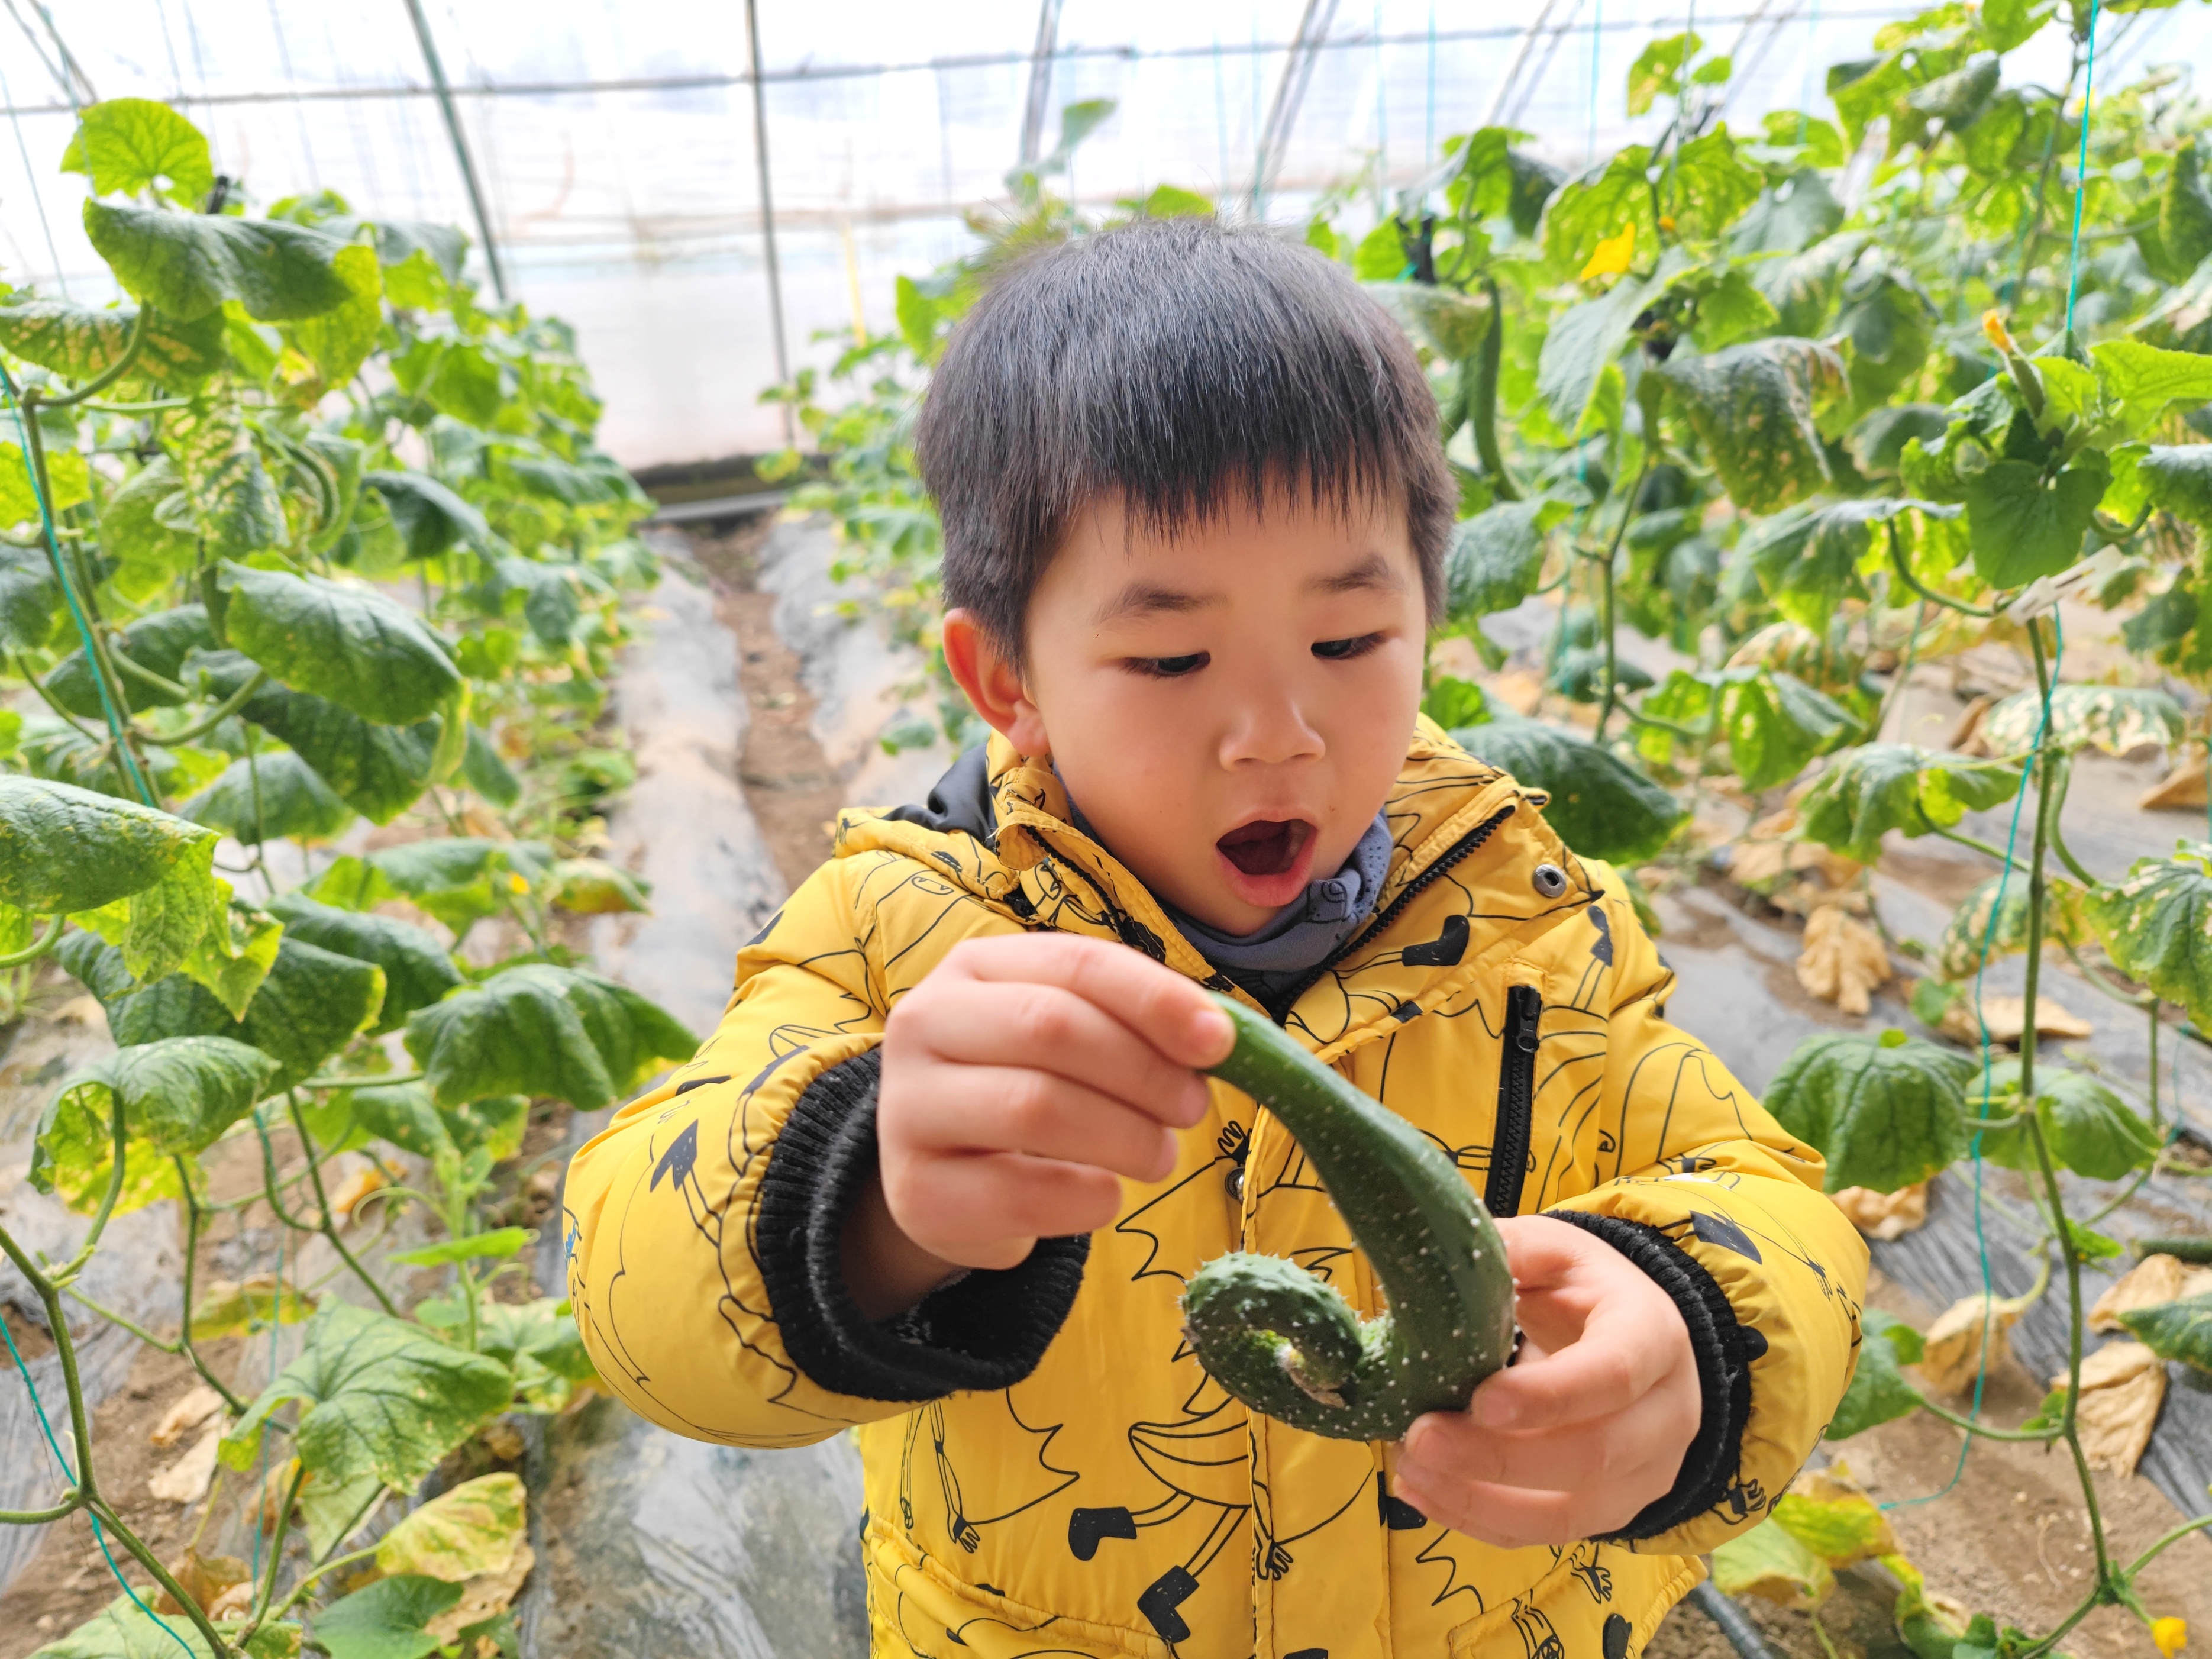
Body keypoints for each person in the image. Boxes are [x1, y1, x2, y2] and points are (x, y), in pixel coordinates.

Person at [562, 216, 1867, 1659]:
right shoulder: (900, 936)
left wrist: (1696, 1328)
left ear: (1428, 617)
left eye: (1349, 641)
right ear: (1008, 680)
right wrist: (866, 1200)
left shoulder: (1538, 922)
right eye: (1171, 658)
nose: (1276, 736)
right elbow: (634, 1294)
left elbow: (1764, 1189)